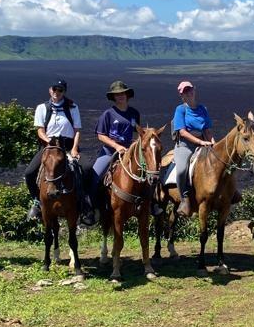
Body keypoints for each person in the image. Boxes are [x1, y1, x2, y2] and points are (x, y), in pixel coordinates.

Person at [85, 80, 159, 225]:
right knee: (94, 176)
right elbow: (101, 135)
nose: (120, 96)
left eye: (123, 94)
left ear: (127, 95)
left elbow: (138, 134)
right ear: (113, 97)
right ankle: (91, 209)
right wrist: (116, 146)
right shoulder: (108, 114)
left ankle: (151, 204)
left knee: (150, 172)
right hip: (109, 152)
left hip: (129, 151)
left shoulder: (134, 113)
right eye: (117, 94)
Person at [25, 78, 82, 220]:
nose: (56, 92)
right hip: (49, 148)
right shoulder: (42, 108)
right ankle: (37, 202)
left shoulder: (72, 107)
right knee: (29, 173)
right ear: (50, 90)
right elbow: (40, 130)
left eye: (60, 90)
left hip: (68, 146)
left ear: (64, 92)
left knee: (86, 169)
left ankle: (84, 203)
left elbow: (77, 130)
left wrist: (74, 149)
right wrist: (48, 141)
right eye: (54, 89)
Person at [170, 80, 214, 217]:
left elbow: (207, 129)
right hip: (185, 145)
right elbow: (182, 131)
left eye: (190, 90)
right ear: (182, 95)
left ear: (194, 90)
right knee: (182, 168)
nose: (188, 93)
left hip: (203, 142)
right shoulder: (181, 109)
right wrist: (200, 142)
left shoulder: (203, 109)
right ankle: (184, 198)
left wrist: (213, 143)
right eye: (185, 92)